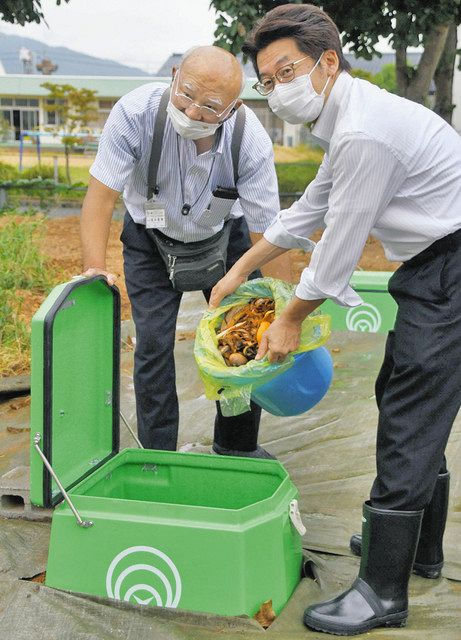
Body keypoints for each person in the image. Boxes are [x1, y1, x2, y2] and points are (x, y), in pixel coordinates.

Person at [209, 4, 461, 636]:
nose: (277, 87)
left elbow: (341, 245)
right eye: (267, 80)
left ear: (327, 61)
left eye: (286, 69)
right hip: (436, 269)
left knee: (408, 416)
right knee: (406, 399)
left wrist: (290, 318)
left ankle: (382, 592)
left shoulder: (365, 131)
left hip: (451, 270)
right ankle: (418, 552)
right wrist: (242, 268)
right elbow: (310, 209)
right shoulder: (348, 120)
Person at [80, 45, 291, 459]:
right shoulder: (135, 114)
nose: (193, 112)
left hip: (224, 241)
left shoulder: (250, 140)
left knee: (241, 337)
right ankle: (157, 454)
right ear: (174, 75)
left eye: (211, 106)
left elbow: (269, 232)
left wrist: (285, 307)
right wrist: (93, 268)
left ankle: (235, 445)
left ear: (232, 107)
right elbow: (101, 197)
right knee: (154, 346)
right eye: (187, 94)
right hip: (149, 243)